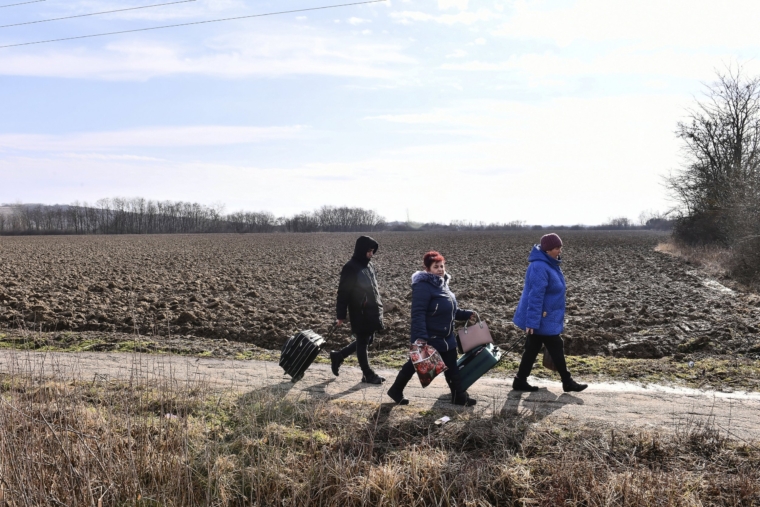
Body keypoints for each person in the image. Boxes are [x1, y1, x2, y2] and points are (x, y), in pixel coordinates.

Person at [386, 251, 477, 406]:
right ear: (427, 269)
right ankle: (396, 389)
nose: (441, 269)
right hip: (431, 336)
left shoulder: (443, 284)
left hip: (446, 336)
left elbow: (450, 310)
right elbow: (418, 313)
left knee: (452, 367)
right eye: (436, 267)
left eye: (442, 266)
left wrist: (466, 314)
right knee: (415, 364)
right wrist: (421, 337)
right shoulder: (423, 286)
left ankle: (458, 396)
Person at [512, 233, 588, 392]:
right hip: (541, 317)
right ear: (547, 250)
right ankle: (567, 381)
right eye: (556, 248)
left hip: (545, 316)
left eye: (560, 247)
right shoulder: (540, 266)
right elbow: (535, 296)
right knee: (555, 345)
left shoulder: (549, 263)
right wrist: (532, 322)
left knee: (532, 348)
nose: (560, 250)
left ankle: (520, 380)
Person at [330, 235, 385, 384]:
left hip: (372, 309)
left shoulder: (369, 265)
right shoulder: (350, 267)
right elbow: (343, 293)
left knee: (368, 339)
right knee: (362, 341)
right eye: (369, 251)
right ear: (361, 250)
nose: (371, 254)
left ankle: (339, 356)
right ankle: (368, 374)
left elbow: (373, 289)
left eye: (373, 251)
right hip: (359, 312)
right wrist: (340, 316)